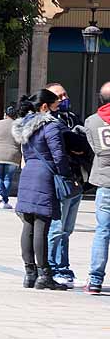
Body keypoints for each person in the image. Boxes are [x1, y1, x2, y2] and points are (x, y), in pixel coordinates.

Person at [11, 90, 73, 291]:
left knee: (28, 224)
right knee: (41, 227)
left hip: (28, 175)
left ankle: (30, 274)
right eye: (55, 105)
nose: (58, 108)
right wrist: (66, 175)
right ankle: (44, 274)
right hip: (44, 177)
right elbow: (59, 156)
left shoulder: (24, 126)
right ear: (44, 107)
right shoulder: (50, 126)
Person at [45, 82, 91, 287]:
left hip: (76, 179)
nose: (63, 99)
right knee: (57, 227)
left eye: (65, 94)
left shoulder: (72, 118)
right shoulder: (47, 121)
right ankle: (53, 268)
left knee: (67, 229)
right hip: (59, 180)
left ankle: (63, 267)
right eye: (59, 96)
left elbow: (83, 145)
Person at [83, 82, 110, 294]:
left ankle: (95, 280)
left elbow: (93, 148)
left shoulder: (92, 122)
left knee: (102, 231)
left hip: (105, 181)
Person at [0, 105, 22, 209]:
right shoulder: (19, 126)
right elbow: (22, 141)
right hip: (13, 155)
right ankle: (4, 201)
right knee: (7, 178)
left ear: (5, 114)